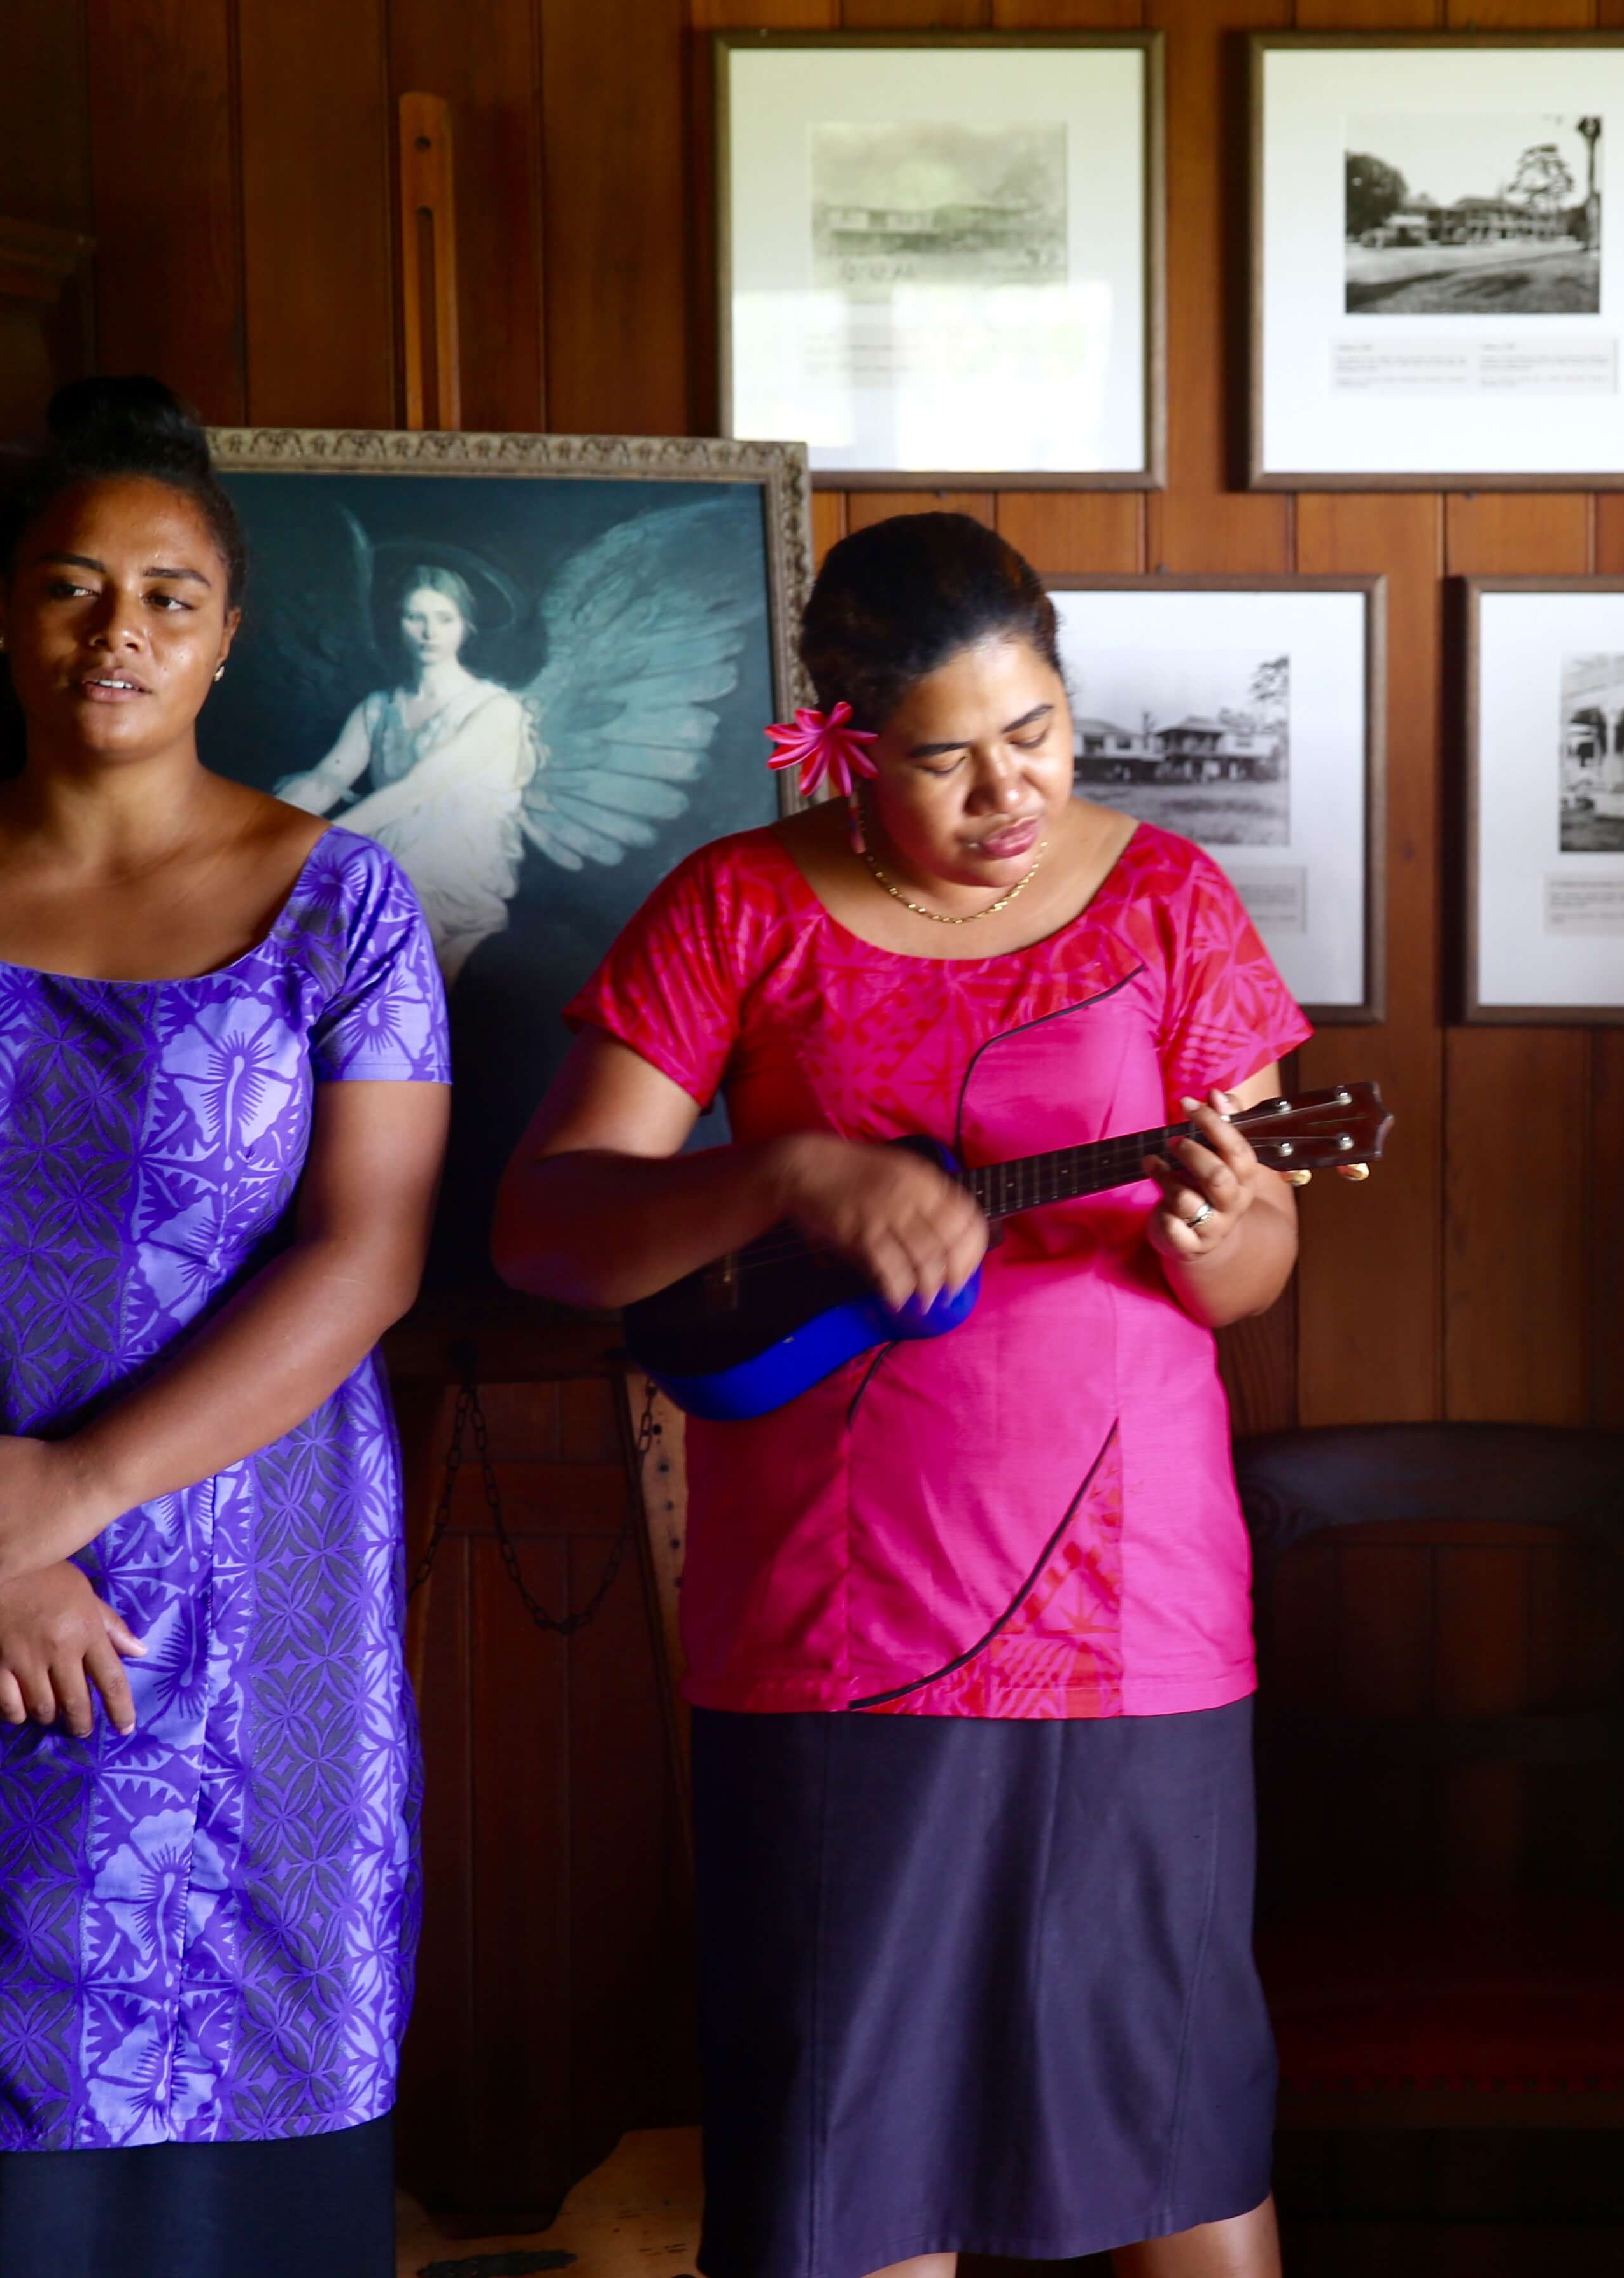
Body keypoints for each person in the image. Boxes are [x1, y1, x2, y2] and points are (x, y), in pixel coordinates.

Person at [489, 511, 1307, 2278]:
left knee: (1180, 2140)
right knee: (852, 2165)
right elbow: (547, 1229)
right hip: (833, 1633)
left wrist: (1233, 1225)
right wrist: (786, 1178)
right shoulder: (740, 905)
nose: (1010, 793)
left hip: (1131, 1610)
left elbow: (1253, 1274)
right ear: (842, 742)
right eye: (945, 760)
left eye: (1039, 734)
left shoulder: (1168, 899)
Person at [0, 377, 451, 2276]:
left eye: (164, 593)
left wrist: (76, 1491)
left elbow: (367, 1252)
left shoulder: (342, 905)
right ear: (2, 612)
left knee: (240, 2112)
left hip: (251, 1587)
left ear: (227, 633)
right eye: (71, 585)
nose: (114, 629)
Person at [274, 562, 541, 979]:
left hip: (451, 881)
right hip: (384, 863)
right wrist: (269, 824)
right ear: (398, 623)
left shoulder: (495, 711)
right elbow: (328, 778)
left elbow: (414, 790)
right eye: (415, 617)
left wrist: (312, 848)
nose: (429, 633)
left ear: (465, 626)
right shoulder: (379, 707)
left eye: (444, 619)